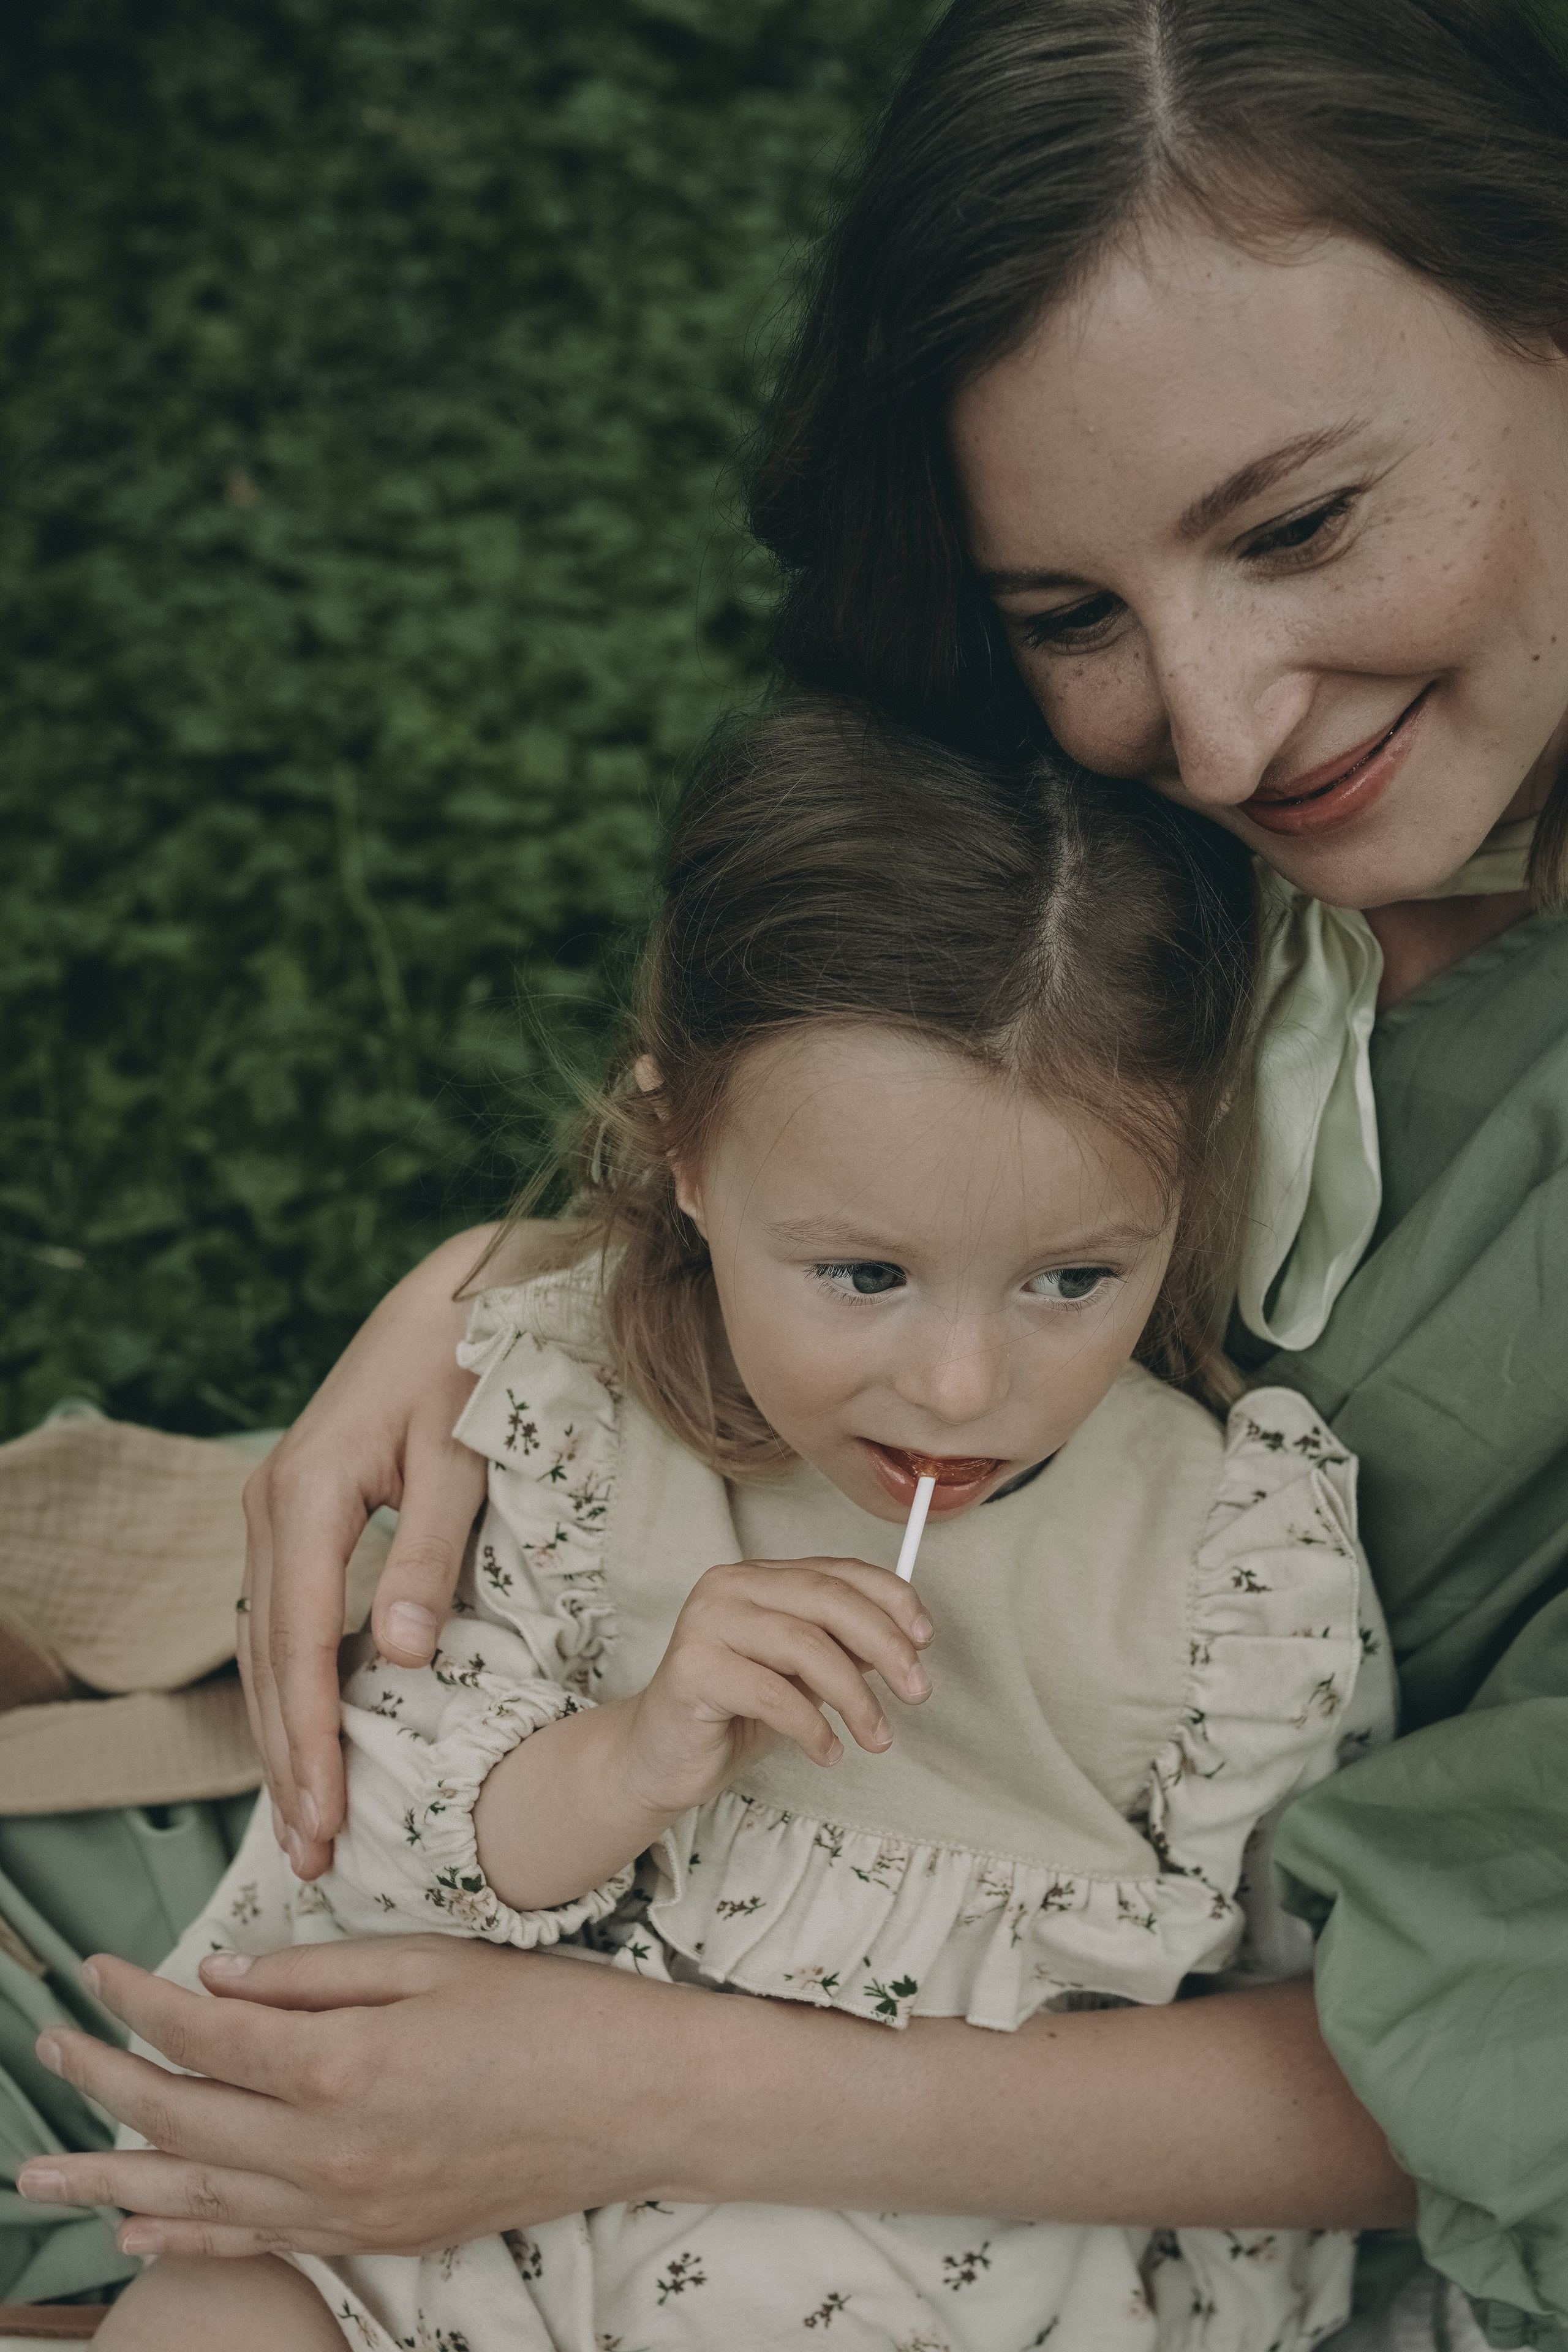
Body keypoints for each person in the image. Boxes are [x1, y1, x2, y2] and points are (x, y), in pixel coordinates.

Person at [18, 0, 1568, 2344]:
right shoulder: (1164, 837)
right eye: (1070, 616)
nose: (1227, 728)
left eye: (1308, 524)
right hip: (615, 1743)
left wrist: (660, 2095)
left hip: (1080, 2137)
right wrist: (524, 1281)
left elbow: (1504, 2056)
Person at [94, 701, 1393, 2350]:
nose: (964, 1382)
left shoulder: (1232, 1562)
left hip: (935, 2274)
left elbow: (1320, 2007)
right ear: (684, 1156)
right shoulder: (575, 1422)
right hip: (472, 2226)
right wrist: (639, 1749)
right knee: (214, 2315)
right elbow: (393, 1840)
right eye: (864, 1274)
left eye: (1076, 1278)